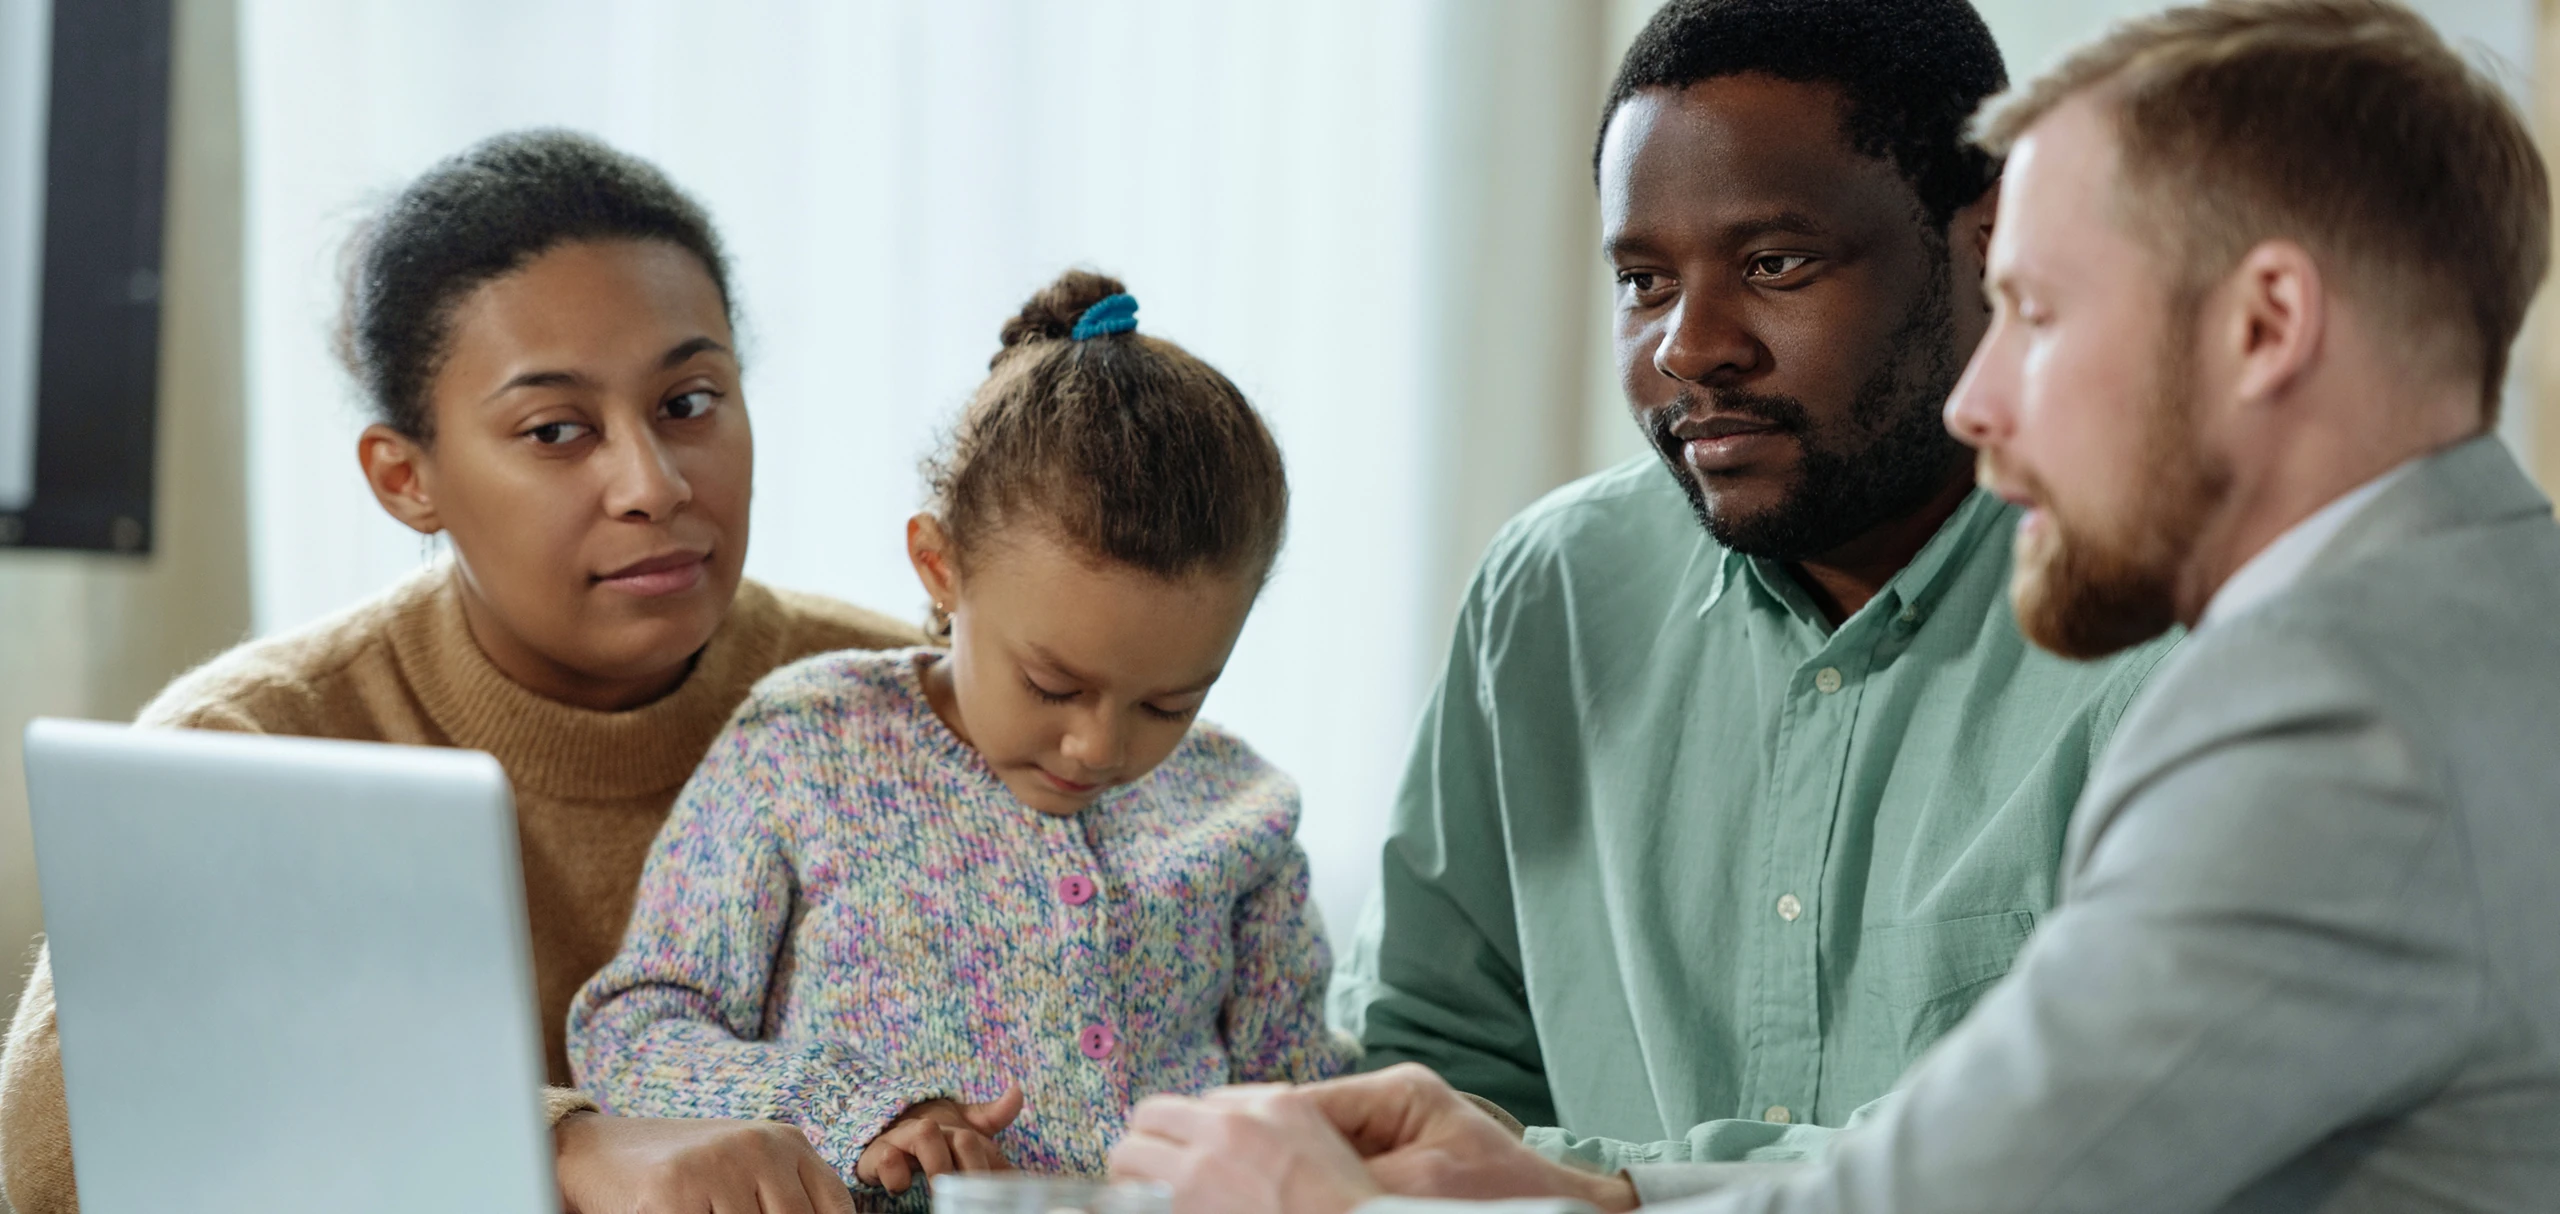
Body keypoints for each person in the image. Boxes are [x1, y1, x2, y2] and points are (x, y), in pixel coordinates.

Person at [1110, 0, 2560, 1209]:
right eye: (1640, 278)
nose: (1990, 395)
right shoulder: (2451, 627)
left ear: (2265, 325)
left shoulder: (2344, 706)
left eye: (2041, 312)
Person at [0, 130, 924, 1214]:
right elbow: (54, 1142)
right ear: (406, 478)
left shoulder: (902, 698)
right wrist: (558, 1146)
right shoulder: (259, 737)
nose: (654, 482)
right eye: (556, 429)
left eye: (689, 402)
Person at [1325, 0, 2174, 1178]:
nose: (1688, 345)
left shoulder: (2180, 623)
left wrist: (1598, 1186)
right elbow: (1421, 1076)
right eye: (1642, 279)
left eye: (1775, 263)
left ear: (1989, 238)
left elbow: (2111, 1156)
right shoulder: (1552, 596)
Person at [567, 271, 1351, 1201]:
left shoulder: (1243, 810)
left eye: (1169, 704)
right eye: (1053, 684)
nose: (1099, 747)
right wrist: (858, 1109)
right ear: (941, 567)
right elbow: (633, 1030)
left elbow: (1306, 1100)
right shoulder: (808, 745)